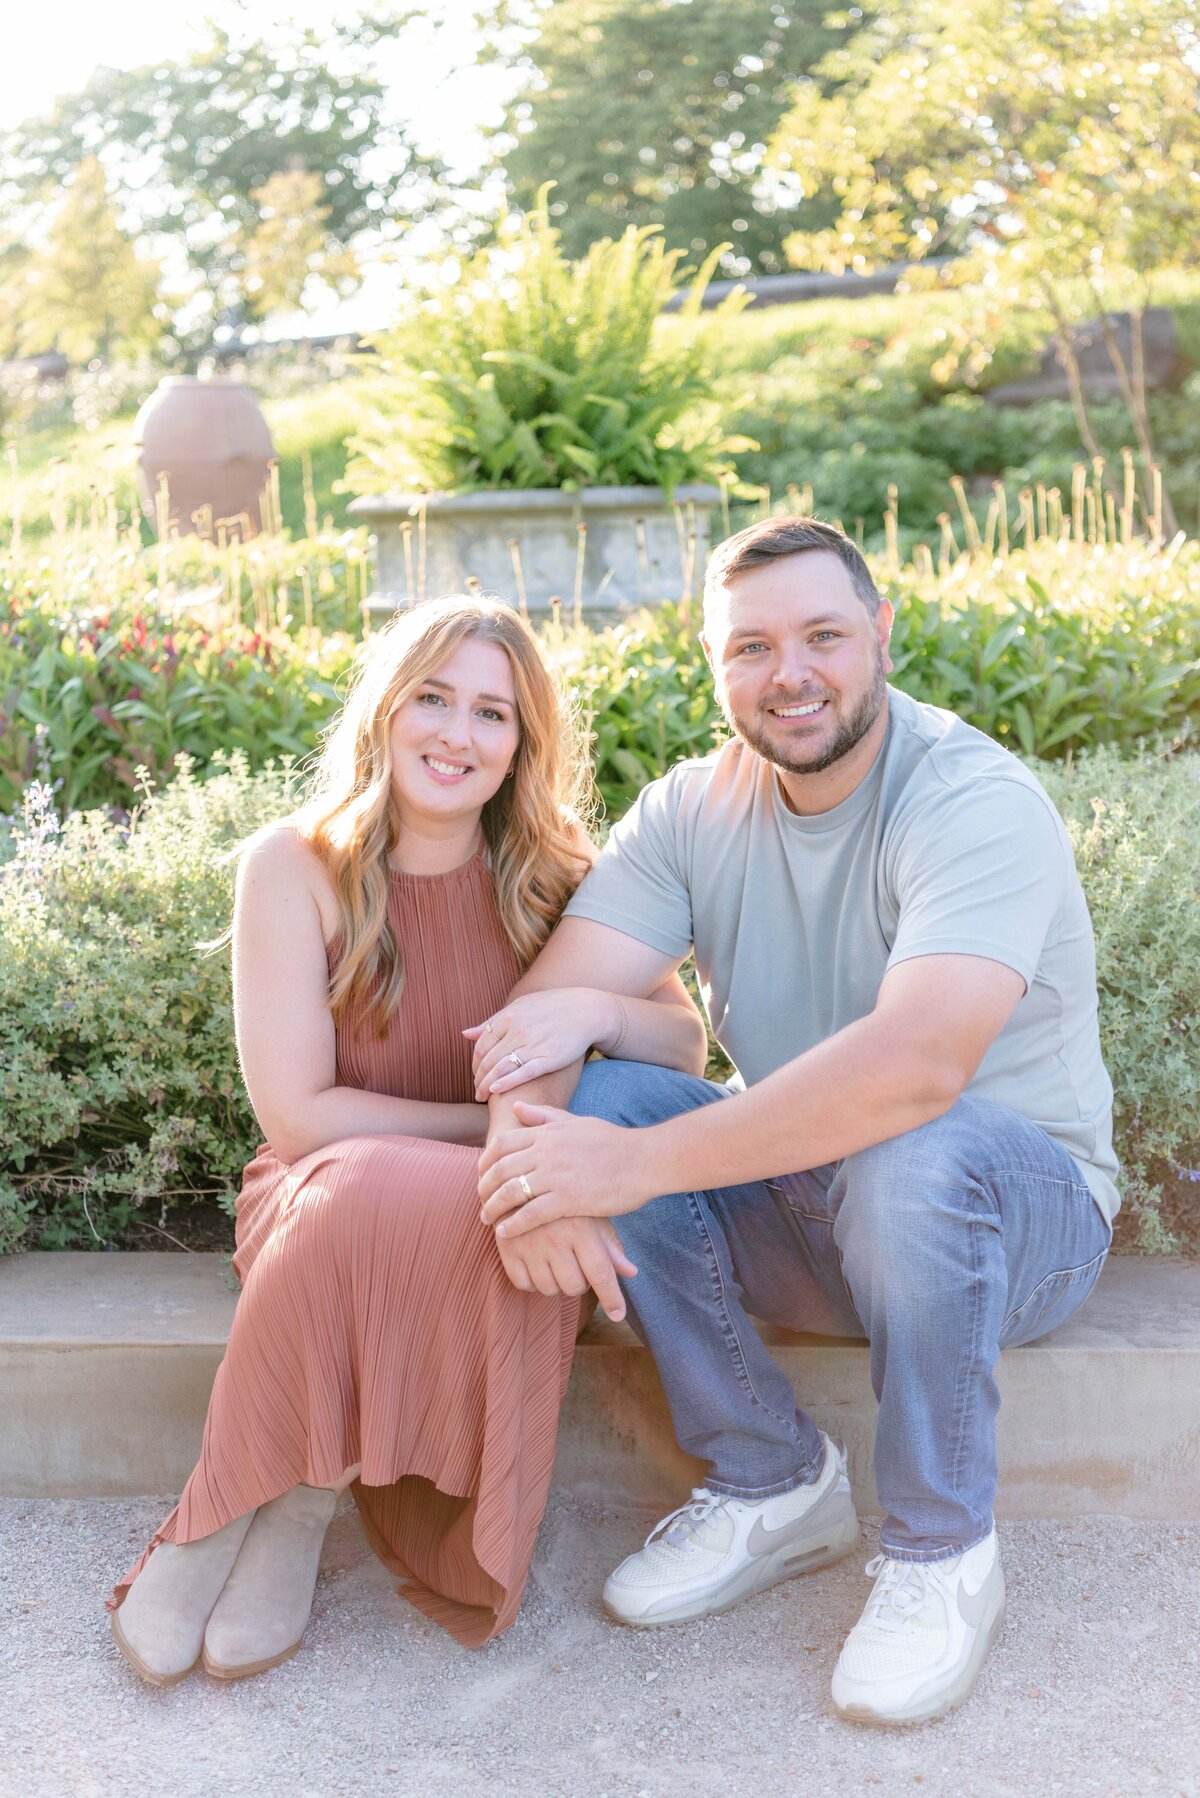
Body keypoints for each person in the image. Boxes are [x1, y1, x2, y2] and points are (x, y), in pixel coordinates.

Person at [473, 517, 1118, 1727]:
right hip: (822, 1206)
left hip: (1013, 1217)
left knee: (903, 1146)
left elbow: (920, 1069)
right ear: (715, 666)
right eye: (752, 647)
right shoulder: (688, 812)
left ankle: (939, 1553)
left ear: (879, 633)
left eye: (823, 635)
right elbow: (537, 1022)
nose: (792, 673)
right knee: (605, 1091)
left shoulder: (972, 796)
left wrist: (629, 1163)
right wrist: (531, 1166)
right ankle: (774, 1481)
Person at [108, 594, 708, 1688]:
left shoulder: (561, 874)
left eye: (491, 713)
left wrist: (596, 1015)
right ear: (386, 709)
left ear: (522, 744)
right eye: (433, 698)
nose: (456, 734)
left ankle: (292, 1510)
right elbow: (299, 1118)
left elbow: (683, 1043)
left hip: (505, 1203)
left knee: (458, 1194)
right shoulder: (291, 866)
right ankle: (213, 1515)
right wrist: (490, 1132)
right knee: (371, 1181)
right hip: (319, 1192)